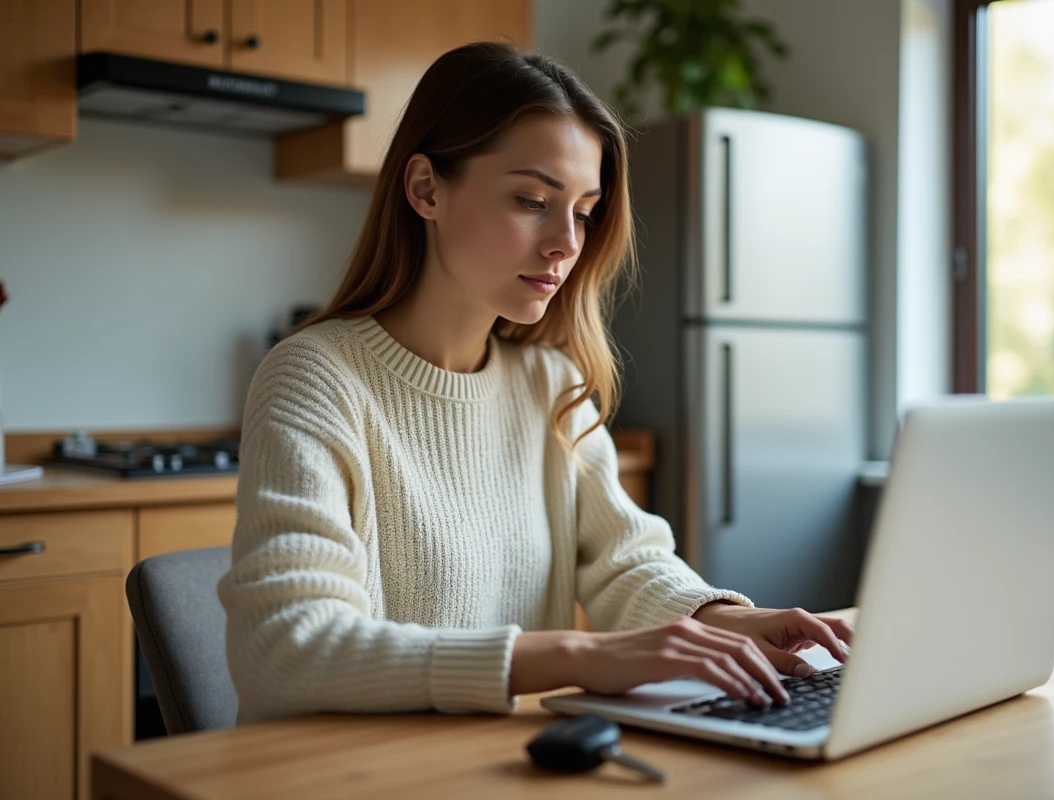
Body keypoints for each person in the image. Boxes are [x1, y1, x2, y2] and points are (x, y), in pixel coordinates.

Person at [218, 41, 853, 725]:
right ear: (426, 188)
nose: (566, 243)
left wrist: (725, 619)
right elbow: (283, 649)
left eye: (583, 210)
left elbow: (623, 564)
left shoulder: (551, 382)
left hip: (501, 765)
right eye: (532, 200)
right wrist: (575, 655)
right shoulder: (316, 378)